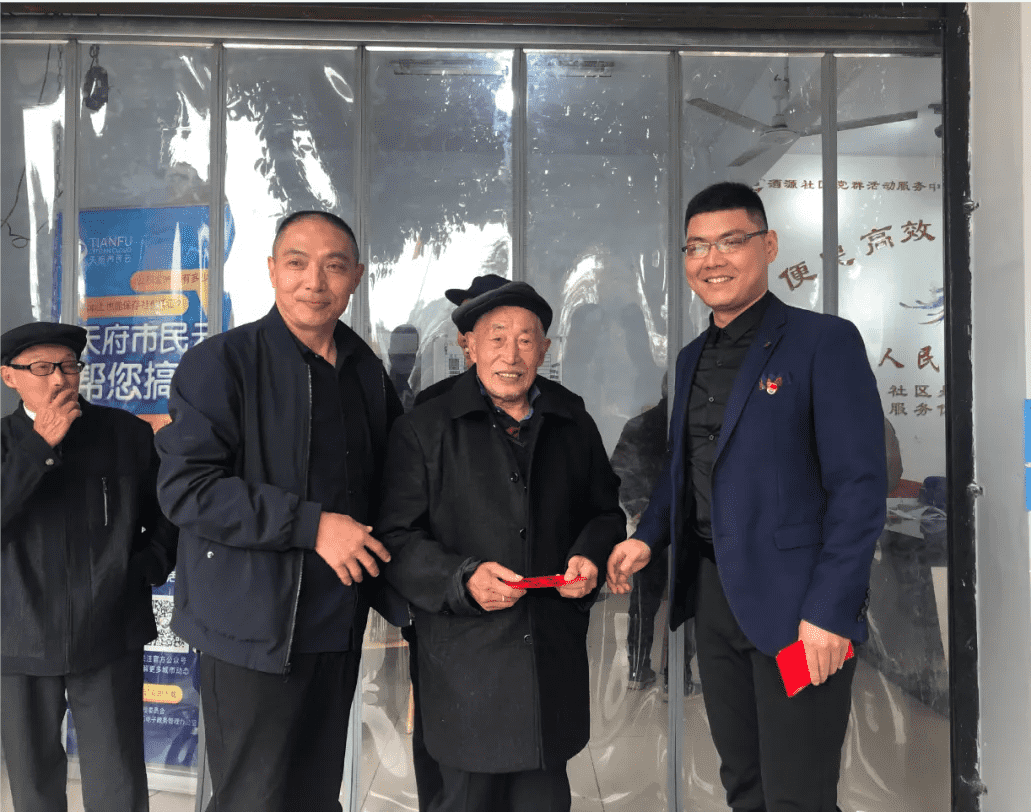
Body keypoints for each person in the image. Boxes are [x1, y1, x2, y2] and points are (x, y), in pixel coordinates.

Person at [607, 182, 886, 812]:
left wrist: (830, 611)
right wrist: (646, 539)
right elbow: (683, 470)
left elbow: (859, 487)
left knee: (798, 795)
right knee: (744, 783)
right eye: (697, 246)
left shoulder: (822, 342)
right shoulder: (689, 359)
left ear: (769, 246)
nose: (712, 259)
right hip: (713, 597)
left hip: (797, 604)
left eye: (731, 241)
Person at [155, 211, 404, 812]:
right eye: (297, 263)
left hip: (336, 625)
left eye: (334, 266)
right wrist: (312, 526)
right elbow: (188, 489)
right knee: (253, 798)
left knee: (316, 795)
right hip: (250, 630)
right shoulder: (221, 363)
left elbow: (395, 483)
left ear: (356, 278)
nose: (314, 281)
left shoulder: (366, 372)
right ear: (272, 270)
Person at [377, 281, 625, 812]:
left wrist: (589, 554)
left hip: (548, 662)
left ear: (545, 349)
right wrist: (461, 580)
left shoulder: (571, 420)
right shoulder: (425, 427)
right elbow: (396, 539)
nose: (511, 355)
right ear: (468, 345)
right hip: (465, 671)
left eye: (526, 340)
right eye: (496, 338)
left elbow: (605, 512)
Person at [1, 321, 178, 812]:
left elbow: (168, 512)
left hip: (108, 630)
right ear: (9, 377)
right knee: (33, 783)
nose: (60, 379)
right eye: (42, 368)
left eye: (69, 366)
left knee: (117, 780)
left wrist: (146, 567)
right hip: (19, 633)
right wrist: (38, 447)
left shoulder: (124, 433)